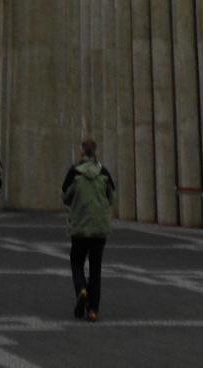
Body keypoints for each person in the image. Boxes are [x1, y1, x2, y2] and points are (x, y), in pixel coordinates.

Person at [62, 137, 114, 321]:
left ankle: (81, 289)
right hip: (100, 228)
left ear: (82, 153)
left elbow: (65, 196)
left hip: (81, 227)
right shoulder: (104, 172)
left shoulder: (75, 172)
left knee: (76, 262)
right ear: (96, 153)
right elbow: (111, 197)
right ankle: (93, 310)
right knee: (96, 268)